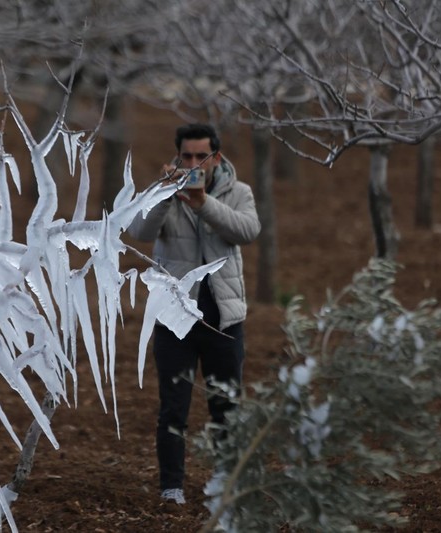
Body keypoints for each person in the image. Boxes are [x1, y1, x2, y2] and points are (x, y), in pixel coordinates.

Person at [128, 123, 261, 505]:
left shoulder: (239, 192)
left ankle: (225, 483)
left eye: (200, 156)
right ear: (177, 155)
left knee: (226, 405)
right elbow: (139, 229)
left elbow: (248, 230)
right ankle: (171, 488)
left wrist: (204, 202)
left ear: (216, 157)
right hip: (175, 318)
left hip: (224, 319)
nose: (192, 163)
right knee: (173, 407)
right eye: (186, 156)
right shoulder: (162, 189)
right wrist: (167, 194)